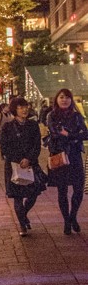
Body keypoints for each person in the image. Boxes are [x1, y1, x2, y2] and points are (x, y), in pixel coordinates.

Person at [0, 96, 45, 237]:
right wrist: (19, 160)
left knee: (34, 193)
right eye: (20, 107)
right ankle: (22, 225)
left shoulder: (33, 125)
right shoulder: (7, 126)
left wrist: (29, 159)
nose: (24, 109)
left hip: (31, 164)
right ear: (15, 109)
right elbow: (4, 147)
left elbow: (37, 145)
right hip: (14, 166)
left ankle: (23, 215)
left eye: (26, 106)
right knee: (18, 196)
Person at [46, 87, 88, 235]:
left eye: (67, 97)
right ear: (57, 99)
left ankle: (73, 217)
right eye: (62, 97)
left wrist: (69, 134)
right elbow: (55, 133)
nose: (65, 100)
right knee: (62, 190)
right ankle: (66, 220)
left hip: (75, 156)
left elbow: (86, 134)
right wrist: (75, 136)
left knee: (78, 189)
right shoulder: (52, 115)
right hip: (59, 156)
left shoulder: (77, 116)